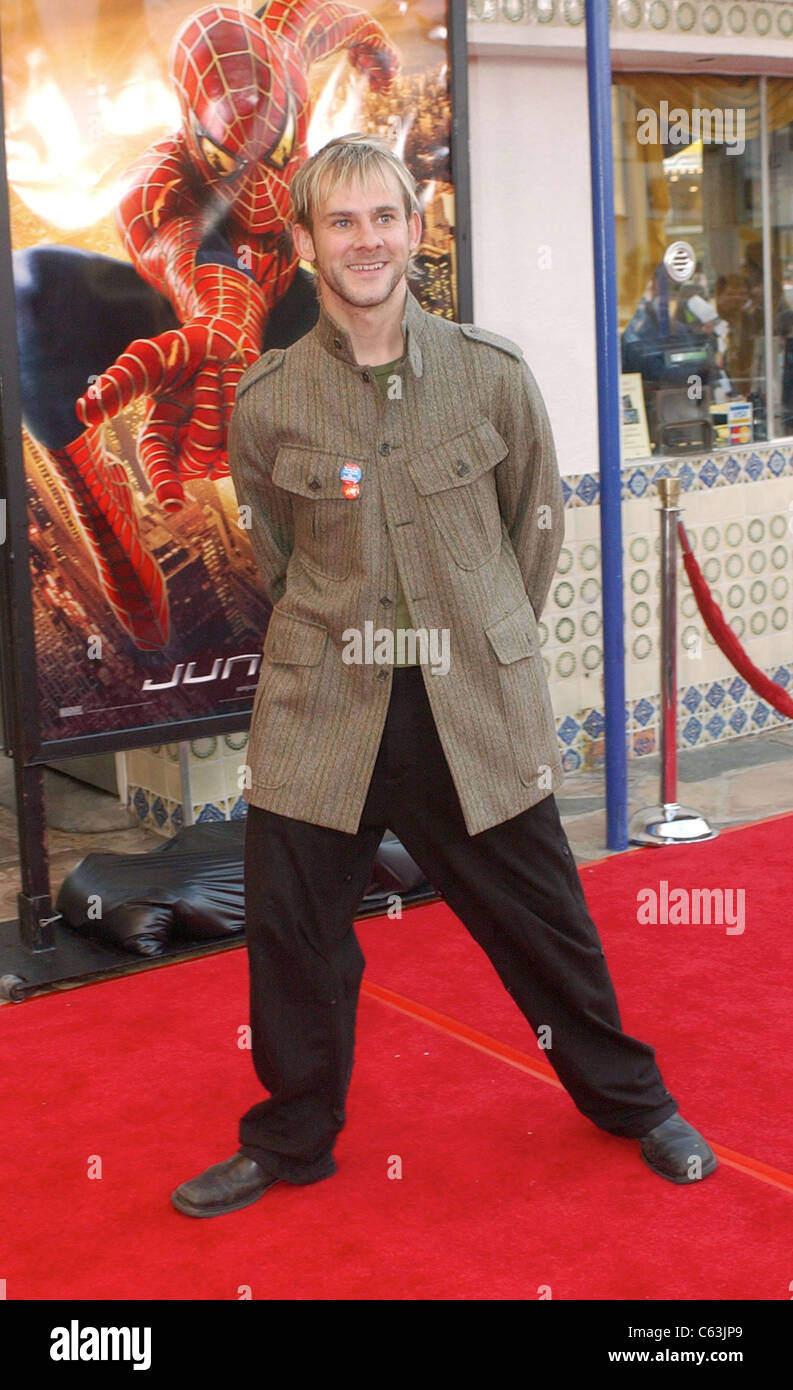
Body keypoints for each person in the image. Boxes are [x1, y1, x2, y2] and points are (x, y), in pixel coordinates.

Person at [170, 134, 717, 1219]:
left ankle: (632, 1100)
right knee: (292, 933)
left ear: (416, 234)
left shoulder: (492, 374)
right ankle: (289, 1140)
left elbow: (535, 530)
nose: (366, 239)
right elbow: (275, 556)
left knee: (542, 919)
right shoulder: (270, 399)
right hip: (324, 703)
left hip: (464, 702)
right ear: (308, 244)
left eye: (385, 217)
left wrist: (474, 629)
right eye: (342, 221)